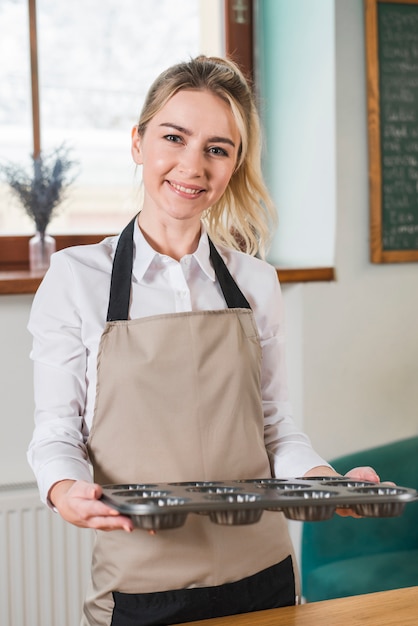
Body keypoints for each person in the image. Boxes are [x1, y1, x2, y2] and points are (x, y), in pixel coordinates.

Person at [27, 55, 379, 626]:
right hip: (141, 589)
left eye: (218, 148)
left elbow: (273, 427)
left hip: (264, 576)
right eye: (174, 137)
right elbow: (57, 433)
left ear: (235, 165)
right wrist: (65, 488)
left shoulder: (256, 282)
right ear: (138, 142)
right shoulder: (76, 279)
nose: (193, 166)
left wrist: (324, 483)